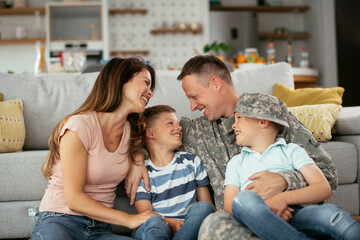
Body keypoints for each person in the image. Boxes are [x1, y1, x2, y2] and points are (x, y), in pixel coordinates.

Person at [125, 55, 338, 240]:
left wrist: (285, 181)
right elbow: (154, 139)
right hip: (236, 226)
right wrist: (137, 158)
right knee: (211, 227)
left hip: (287, 215)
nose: (192, 106)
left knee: (328, 218)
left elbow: (328, 173)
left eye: (194, 96)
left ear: (216, 83)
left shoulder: (266, 114)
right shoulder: (195, 131)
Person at [31, 57, 158, 240]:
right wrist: (130, 219)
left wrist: (138, 159)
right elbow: (74, 199)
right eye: (146, 83)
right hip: (59, 220)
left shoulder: (133, 132)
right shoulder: (80, 126)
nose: (150, 93)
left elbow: (159, 143)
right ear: (121, 80)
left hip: (99, 229)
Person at [224, 92, 360, 240]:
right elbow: (230, 206)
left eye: (239, 118)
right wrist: (267, 209)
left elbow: (323, 188)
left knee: (333, 215)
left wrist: (282, 199)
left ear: (263, 122)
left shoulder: (292, 151)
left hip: (296, 213)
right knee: (243, 199)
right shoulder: (236, 162)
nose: (233, 125)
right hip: (256, 219)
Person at [132, 105, 215, 240]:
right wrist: (171, 223)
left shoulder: (191, 162)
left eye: (178, 124)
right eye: (170, 123)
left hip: (188, 226)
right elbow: (145, 213)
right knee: (154, 223)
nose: (179, 127)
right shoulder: (142, 172)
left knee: (204, 207)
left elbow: (207, 204)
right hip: (156, 227)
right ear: (150, 133)